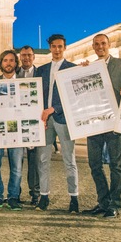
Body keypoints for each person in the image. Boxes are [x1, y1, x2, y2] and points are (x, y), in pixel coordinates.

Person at [82, 34, 121, 219]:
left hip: (113, 122)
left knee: (115, 165)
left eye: (103, 43)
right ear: (93, 47)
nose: (100, 47)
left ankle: (115, 203)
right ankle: (103, 201)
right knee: (94, 164)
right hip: (94, 123)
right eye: (96, 44)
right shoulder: (90, 67)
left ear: (109, 45)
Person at [35, 34, 80, 213]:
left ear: (65, 47)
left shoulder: (72, 68)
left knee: (69, 160)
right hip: (44, 120)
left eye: (60, 46)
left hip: (63, 119)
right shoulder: (42, 70)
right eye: (54, 46)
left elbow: (73, 96)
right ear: (50, 48)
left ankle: (74, 198)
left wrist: (53, 109)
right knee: (43, 159)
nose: (57, 49)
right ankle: (44, 196)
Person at [0, 50, 25, 210]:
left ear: (16, 63)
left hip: (17, 130)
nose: (8, 63)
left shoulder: (24, 82)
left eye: (11, 60)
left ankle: (13, 197)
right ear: (1, 63)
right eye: (5, 61)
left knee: (16, 166)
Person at [17, 45, 40, 205]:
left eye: (29, 55)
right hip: (17, 120)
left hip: (35, 122)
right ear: (20, 57)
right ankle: (15, 193)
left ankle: (35, 193)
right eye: (23, 55)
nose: (26, 58)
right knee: (17, 160)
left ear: (34, 57)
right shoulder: (13, 74)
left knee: (34, 160)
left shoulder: (42, 74)